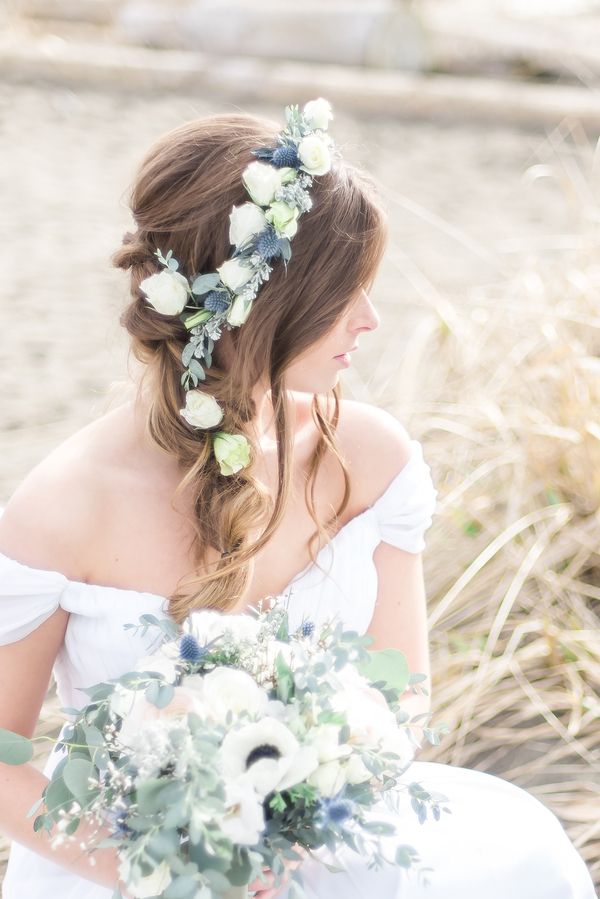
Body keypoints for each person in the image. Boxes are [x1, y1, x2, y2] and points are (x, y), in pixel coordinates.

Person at [0, 99, 595, 899]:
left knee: (526, 858)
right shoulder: (66, 504)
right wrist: (168, 867)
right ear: (260, 302)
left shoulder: (371, 460)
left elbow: (403, 700)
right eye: (346, 293)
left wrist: (306, 808)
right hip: (130, 867)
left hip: (330, 845)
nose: (372, 320)